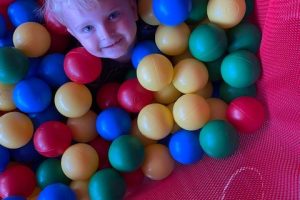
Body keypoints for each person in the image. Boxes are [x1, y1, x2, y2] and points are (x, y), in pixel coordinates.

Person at [43, 0, 138, 62]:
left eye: (112, 16)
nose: (106, 35)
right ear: (75, 36)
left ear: (133, 9)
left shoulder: (151, 21)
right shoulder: (89, 76)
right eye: (88, 28)